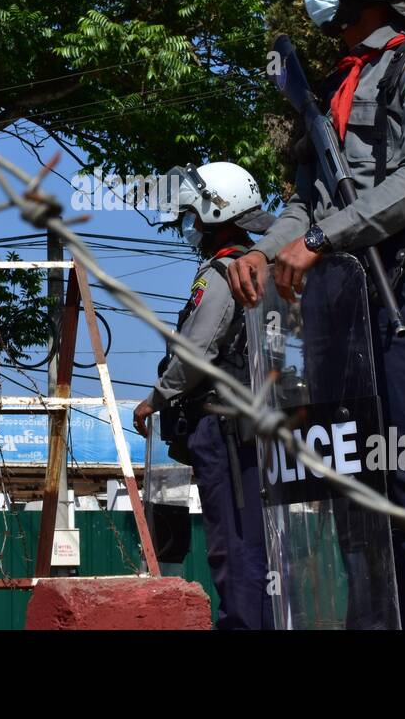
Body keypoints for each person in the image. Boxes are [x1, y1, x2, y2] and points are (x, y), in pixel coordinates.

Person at [226, 0, 405, 630]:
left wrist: (323, 241)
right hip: (339, 309)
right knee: (350, 482)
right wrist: (258, 251)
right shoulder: (338, 79)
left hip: (397, 295)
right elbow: (307, 203)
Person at [133, 161, 276, 630]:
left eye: (195, 215)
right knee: (253, 535)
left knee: (232, 540)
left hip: (222, 425)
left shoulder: (223, 271)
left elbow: (197, 351)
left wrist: (155, 397)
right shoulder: (263, 264)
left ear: (220, 212)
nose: (191, 226)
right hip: (256, 421)